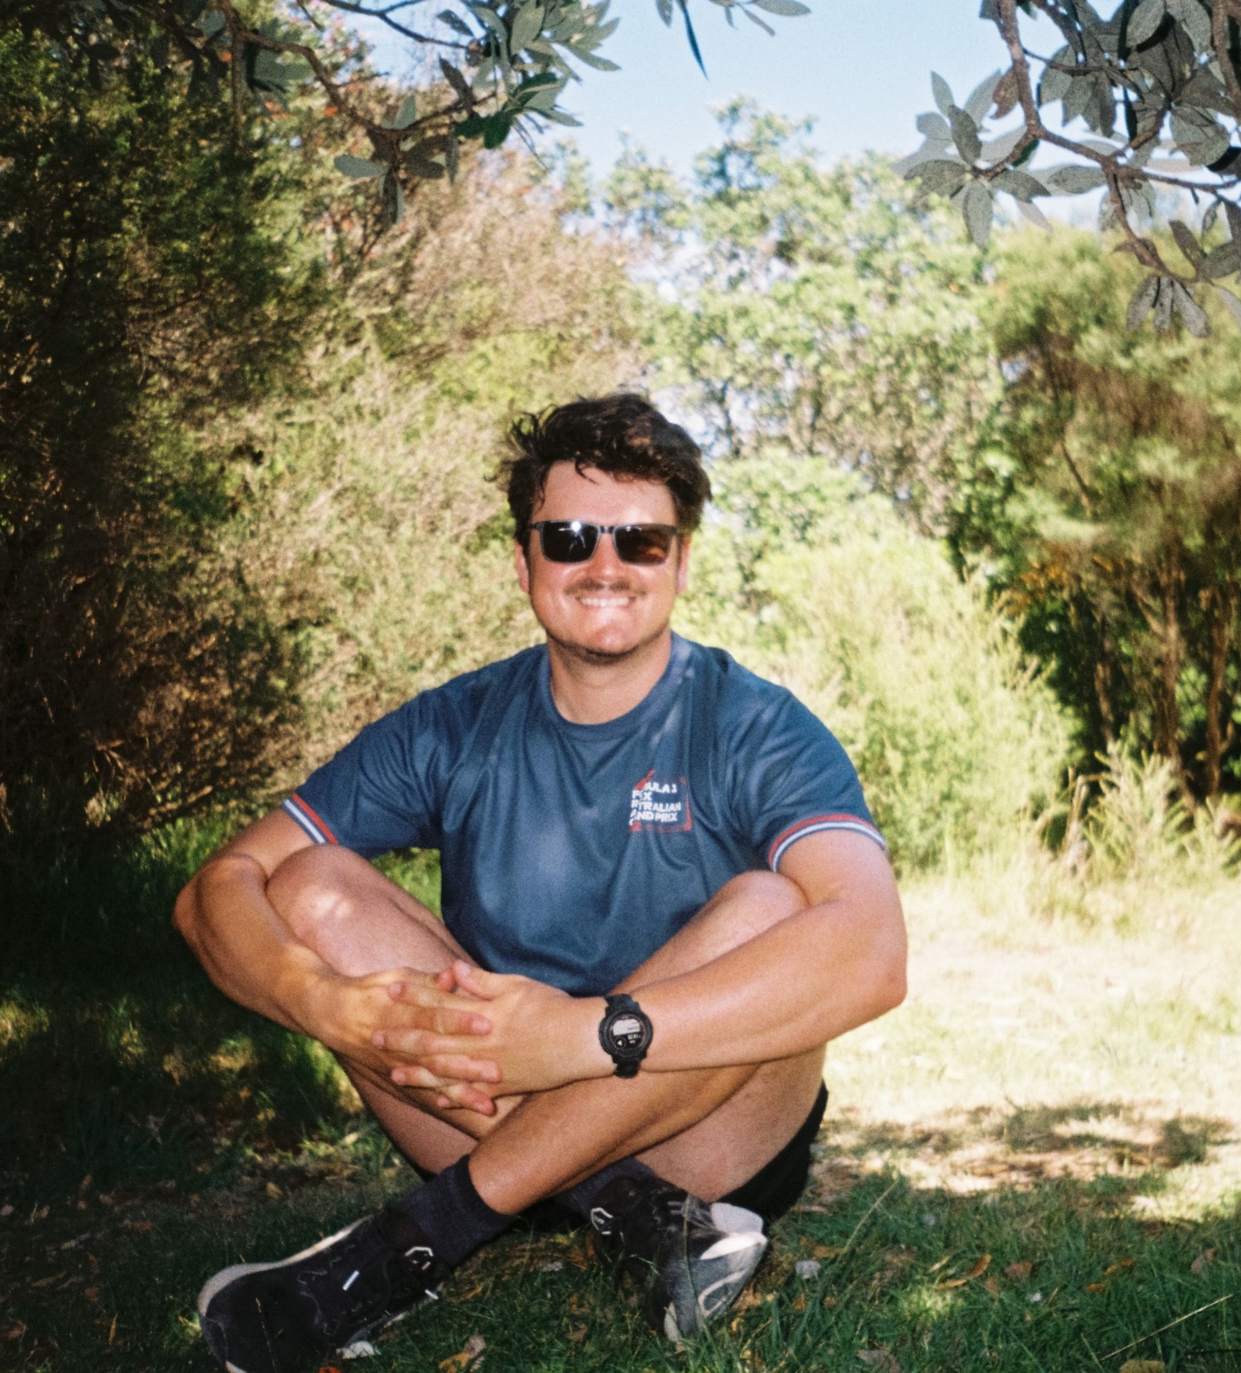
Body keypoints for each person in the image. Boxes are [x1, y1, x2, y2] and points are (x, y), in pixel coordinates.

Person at [173, 394, 907, 1373]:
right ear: (524, 561)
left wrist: (575, 1036)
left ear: (679, 562)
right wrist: (326, 1004)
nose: (603, 565)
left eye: (639, 540)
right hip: (483, 1100)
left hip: (712, 1131)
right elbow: (218, 883)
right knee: (311, 886)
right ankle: (631, 1214)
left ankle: (406, 1244)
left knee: (774, 905)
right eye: (568, 536)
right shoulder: (452, 723)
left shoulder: (755, 724)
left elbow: (871, 947)